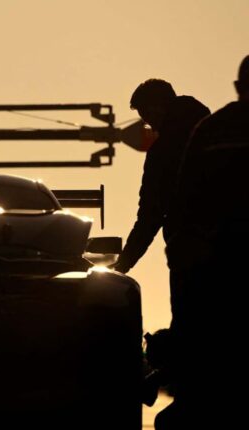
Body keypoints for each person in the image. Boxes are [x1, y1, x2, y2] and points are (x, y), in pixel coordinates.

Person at [154, 55, 249, 429]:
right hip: (218, 257)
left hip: (216, 262)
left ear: (239, 89)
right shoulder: (207, 128)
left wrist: (181, 249)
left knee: (212, 347)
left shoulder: (212, 130)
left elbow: (183, 201)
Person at [114, 79, 210, 276]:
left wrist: (123, 264)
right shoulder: (216, 131)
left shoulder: (163, 151)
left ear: (155, 109)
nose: (149, 124)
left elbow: (150, 214)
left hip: (188, 251)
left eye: (146, 117)